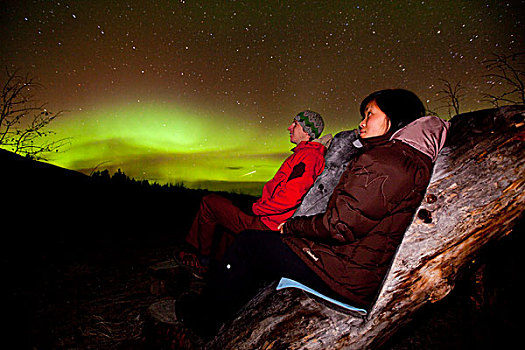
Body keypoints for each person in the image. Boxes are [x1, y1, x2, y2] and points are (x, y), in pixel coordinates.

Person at [174, 89, 450, 338]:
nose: (362, 122)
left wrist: (290, 227)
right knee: (255, 245)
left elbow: (340, 226)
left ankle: (206, 317)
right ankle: (220, 302)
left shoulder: (385, 161)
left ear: (394, 118)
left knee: (250, 244)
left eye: (370, 114)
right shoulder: (404, 159)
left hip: (345, 275)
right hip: (352, 266)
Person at [175, 110, 328, 278]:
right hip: (268, 216)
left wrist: (256, 208)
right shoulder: (305, 154)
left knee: (209, 203)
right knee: (228, 217)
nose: (289, 127)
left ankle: (201, 262)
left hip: (267, 223)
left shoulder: (309, 157)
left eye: (295, 124)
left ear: (307, 131)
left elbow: (290, 197)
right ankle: (219, 267)